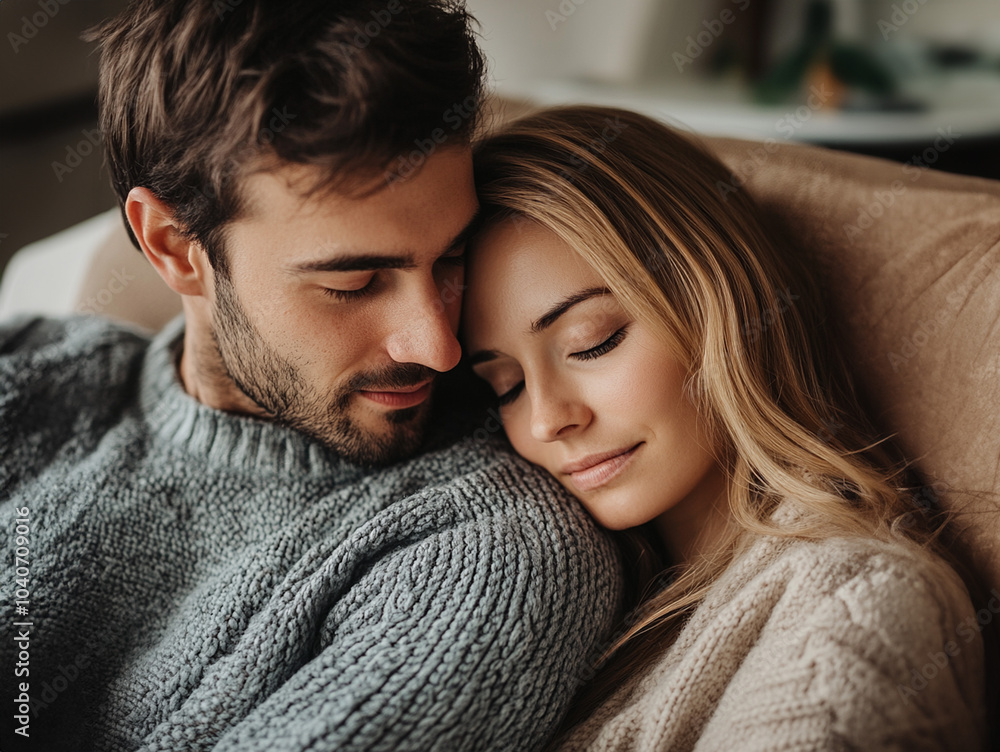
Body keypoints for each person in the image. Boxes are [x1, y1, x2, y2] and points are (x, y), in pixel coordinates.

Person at [0, 4, 622, 751]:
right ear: (172, 247)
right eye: (354, 281)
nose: (437, 345)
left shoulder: (489, 548)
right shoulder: (30, 368)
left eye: (451, 259)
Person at [462, 105, 988, 750]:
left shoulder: (851, 618)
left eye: (592, 342)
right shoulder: (568, 587)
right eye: (506, 386)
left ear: (721, 304)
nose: (546, 419)